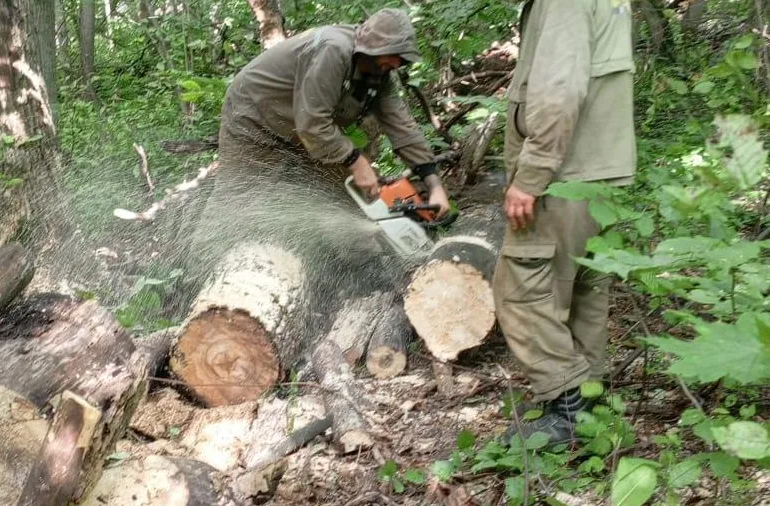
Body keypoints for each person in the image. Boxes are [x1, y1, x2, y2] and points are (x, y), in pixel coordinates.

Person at [494, 0, 637, 445]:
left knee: (519, 289)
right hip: (604, 170)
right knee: (585, 288)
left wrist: (531, 176)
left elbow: (559, 91)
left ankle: (568, 409)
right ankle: (589, 401)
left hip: (566, 174)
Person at [216, 7, 450, 217]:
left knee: (340, 191)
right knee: (239, 195)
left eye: (401, 59)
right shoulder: (334, 50)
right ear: (375, 46)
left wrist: (434, 185)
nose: (396, 64)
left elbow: (403, 127)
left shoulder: (381, 74)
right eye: (394, 55)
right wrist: (357, 162)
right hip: (253, 114)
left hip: (298, 129)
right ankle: (206, 250)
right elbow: (313, 122)